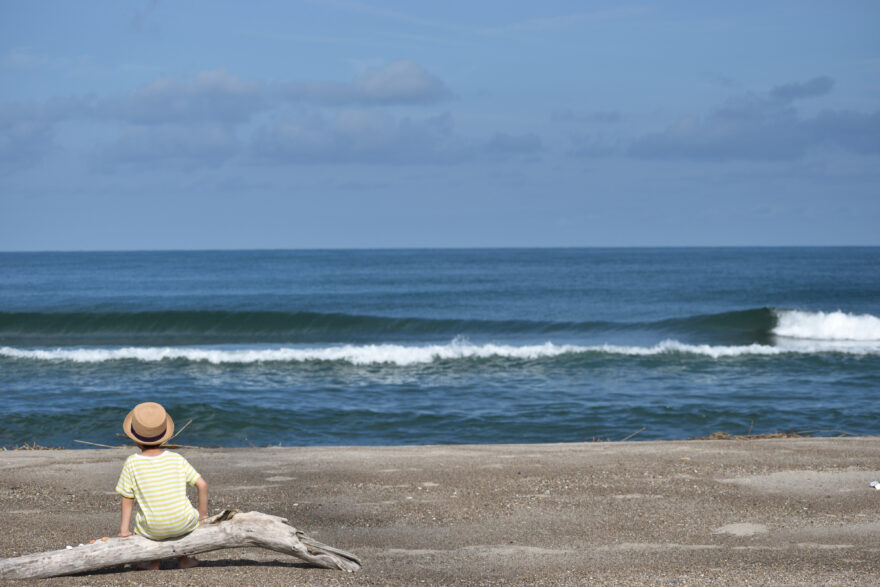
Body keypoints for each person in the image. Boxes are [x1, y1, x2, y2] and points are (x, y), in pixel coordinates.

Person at [115, 401, 209, 570]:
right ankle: (183, 560)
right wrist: (202, 516)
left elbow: (127, 498)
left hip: (153, 529)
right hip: (184, 523)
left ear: (135, 439)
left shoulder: (132, 463)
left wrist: (124, 531)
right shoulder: (177, 459)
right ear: (165, 435)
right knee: (183, 518)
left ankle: (153, 562)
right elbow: (202, 485)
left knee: (145, 526)